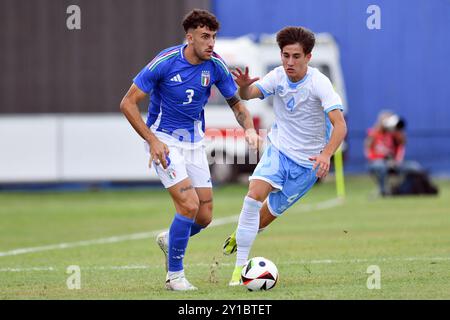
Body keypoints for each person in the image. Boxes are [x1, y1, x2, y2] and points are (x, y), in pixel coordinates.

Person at [119, 9, 260, 291]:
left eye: (214, 37)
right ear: (190, 36)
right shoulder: (166, 62)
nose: (211, 43)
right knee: (188, 205)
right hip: (164, 140)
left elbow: (237, 105)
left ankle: (172, 240)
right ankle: (175, 277)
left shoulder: (216, 65)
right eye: (205, 37)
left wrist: (250, 130)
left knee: (205, 216)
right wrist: (153, 140)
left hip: (194, 142)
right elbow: (127, 103)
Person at [221, 26, 348, 285]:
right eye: (285, 55)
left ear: (308, 57)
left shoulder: (319, 83)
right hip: (278, 151)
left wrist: (326, 155)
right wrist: (244, 88)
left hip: (307, 166)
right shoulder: (277, 76)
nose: (289, 62)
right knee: (253, 197)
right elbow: (250, 95)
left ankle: (241, 233)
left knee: (264, 218)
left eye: (296, 56)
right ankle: (238, 270)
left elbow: (340, 125)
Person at [364, 111, 422, 196]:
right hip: (377, 162)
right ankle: (383, 191)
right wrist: (380, 126)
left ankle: (402, 190)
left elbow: (403, 143)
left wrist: (398, 130)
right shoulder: (374, 132)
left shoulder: (394, 134)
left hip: (394, 162)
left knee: (415, 167)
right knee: (380, 166)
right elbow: (367, 147)